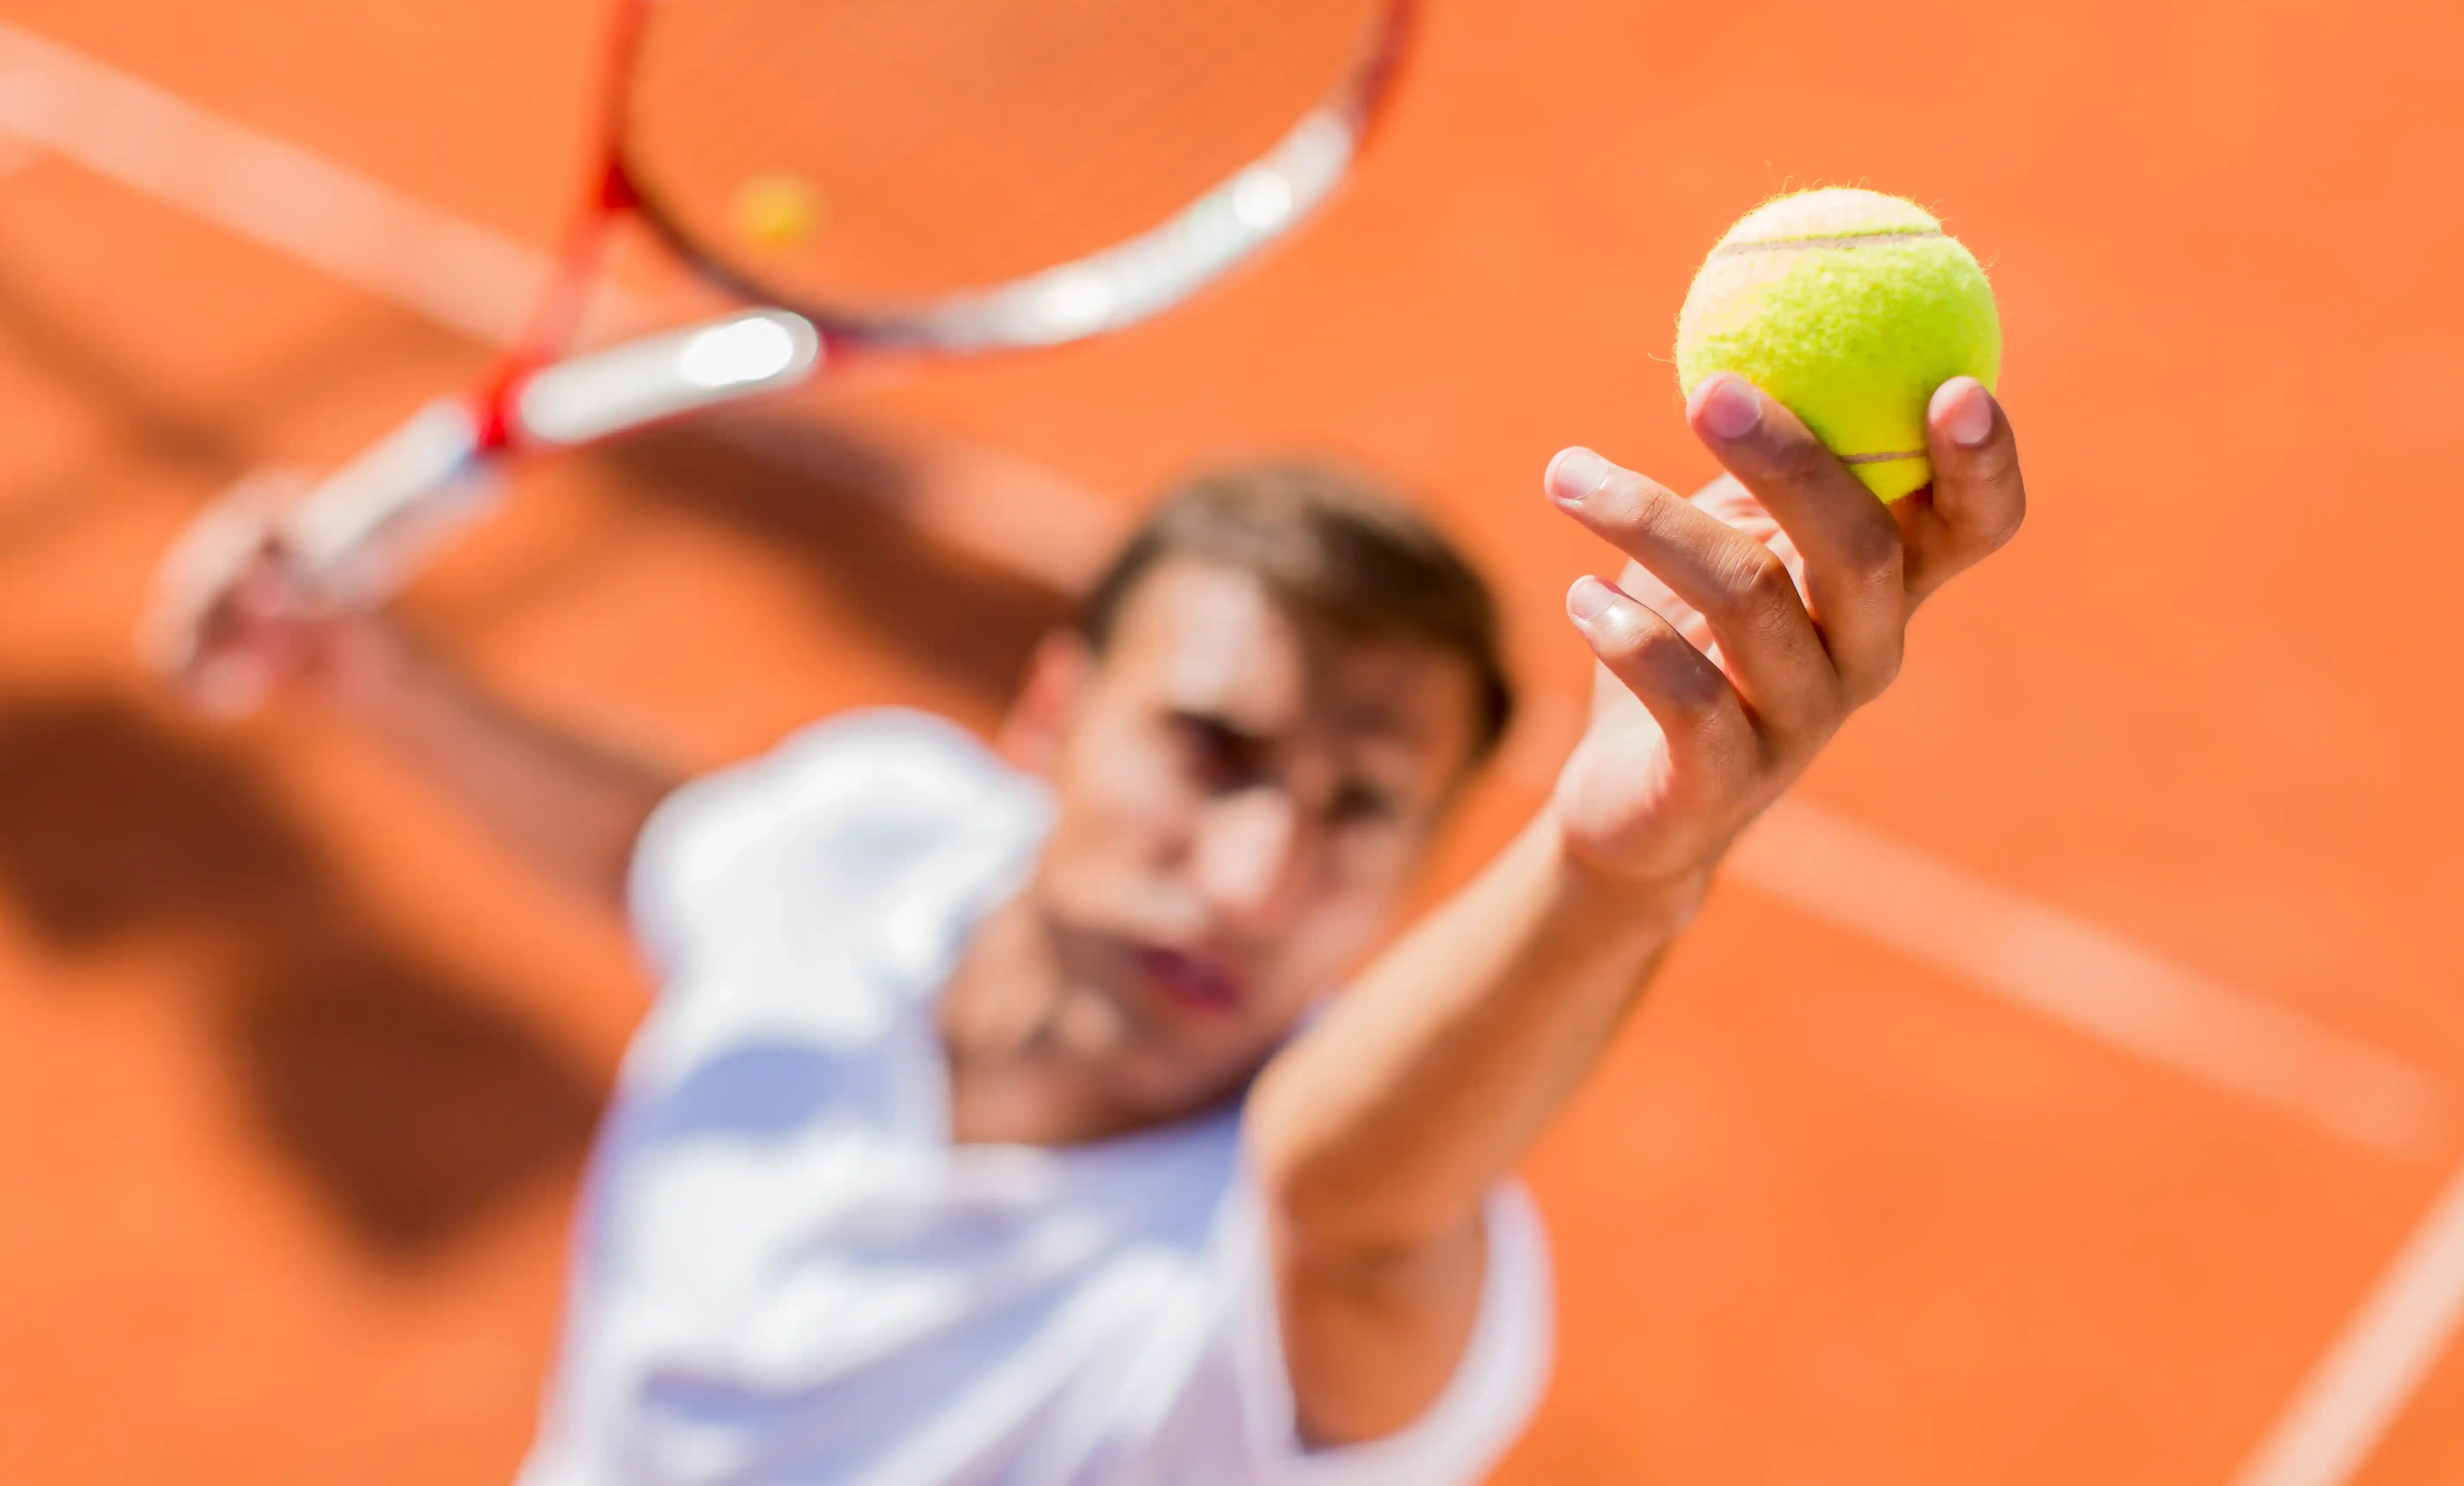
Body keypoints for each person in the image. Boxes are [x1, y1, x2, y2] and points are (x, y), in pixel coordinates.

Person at [143, 372, 2024, 1484]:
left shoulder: (1332, 1265)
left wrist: (1618, 870)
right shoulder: (865, 833)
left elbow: (1343, 1204)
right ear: (1046, 719)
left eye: (1362, 811)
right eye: (1210, 750)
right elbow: (678, 850)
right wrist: (367, 673)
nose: (1251, 877)